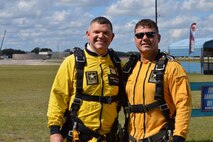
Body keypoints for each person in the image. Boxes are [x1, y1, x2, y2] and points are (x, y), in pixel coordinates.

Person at [47, 16, 124, 142]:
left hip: (109, 136)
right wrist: (54, 131)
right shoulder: (72, 62)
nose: (101, 36)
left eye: (105, 33)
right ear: (88, 34)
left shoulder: (117, 64)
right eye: (97, 32)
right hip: (79, 136)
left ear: (112, 36)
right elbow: (58, 96)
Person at [123, 19, 192, 142]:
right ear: (135, 40)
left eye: (150, 34)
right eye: (140, 35)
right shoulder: (129, 68)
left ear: (158, 38)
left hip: (160, 137)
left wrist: (179, 136)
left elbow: (183, 104)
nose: (144, 38)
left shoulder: (172, 67)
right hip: (131, 137)